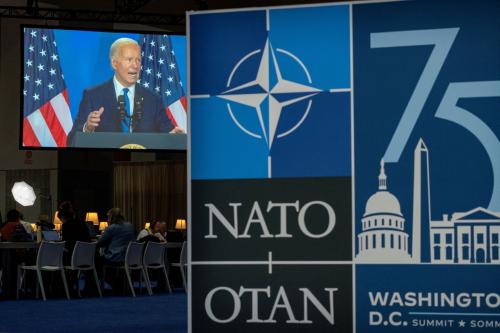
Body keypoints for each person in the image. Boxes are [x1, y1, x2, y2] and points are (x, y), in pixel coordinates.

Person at [68, 37, 183, 145]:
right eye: (129, 60)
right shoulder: (93, 96)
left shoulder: (153, 99)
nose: (135, 65)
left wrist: (173, 137)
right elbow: (72, 141)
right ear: (114, 63)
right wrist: (87, 128)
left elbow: (168, 135)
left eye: (138, 60)